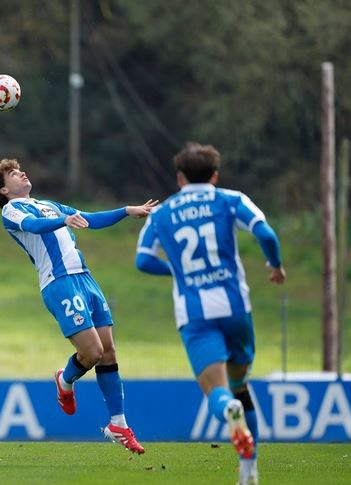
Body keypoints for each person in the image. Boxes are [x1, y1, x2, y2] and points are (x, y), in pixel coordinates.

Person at [135, 142, 286, 485]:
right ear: (215, 175)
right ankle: (249, 469)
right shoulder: (231, 199)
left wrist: (178, 271)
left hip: (195, 314)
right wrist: (274, 266)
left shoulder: (162, 213)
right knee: (239, 384)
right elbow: (266, 232)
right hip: (236, 309)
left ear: (180, 178)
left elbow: (142, 259)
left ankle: (228, 412)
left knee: (218, 393)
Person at [0, 159, 157, 454]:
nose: (23, 172)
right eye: (14, 174)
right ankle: (64, 380)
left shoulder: (48, 203)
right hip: (59, 282)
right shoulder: (11, 210)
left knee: (108, 351)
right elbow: (35, 227)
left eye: (22, 169)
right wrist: (63, 220)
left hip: (85, 278)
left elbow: (88, 218)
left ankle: (118, 423)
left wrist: (128, 211)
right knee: (92, 352)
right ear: (4, 190)